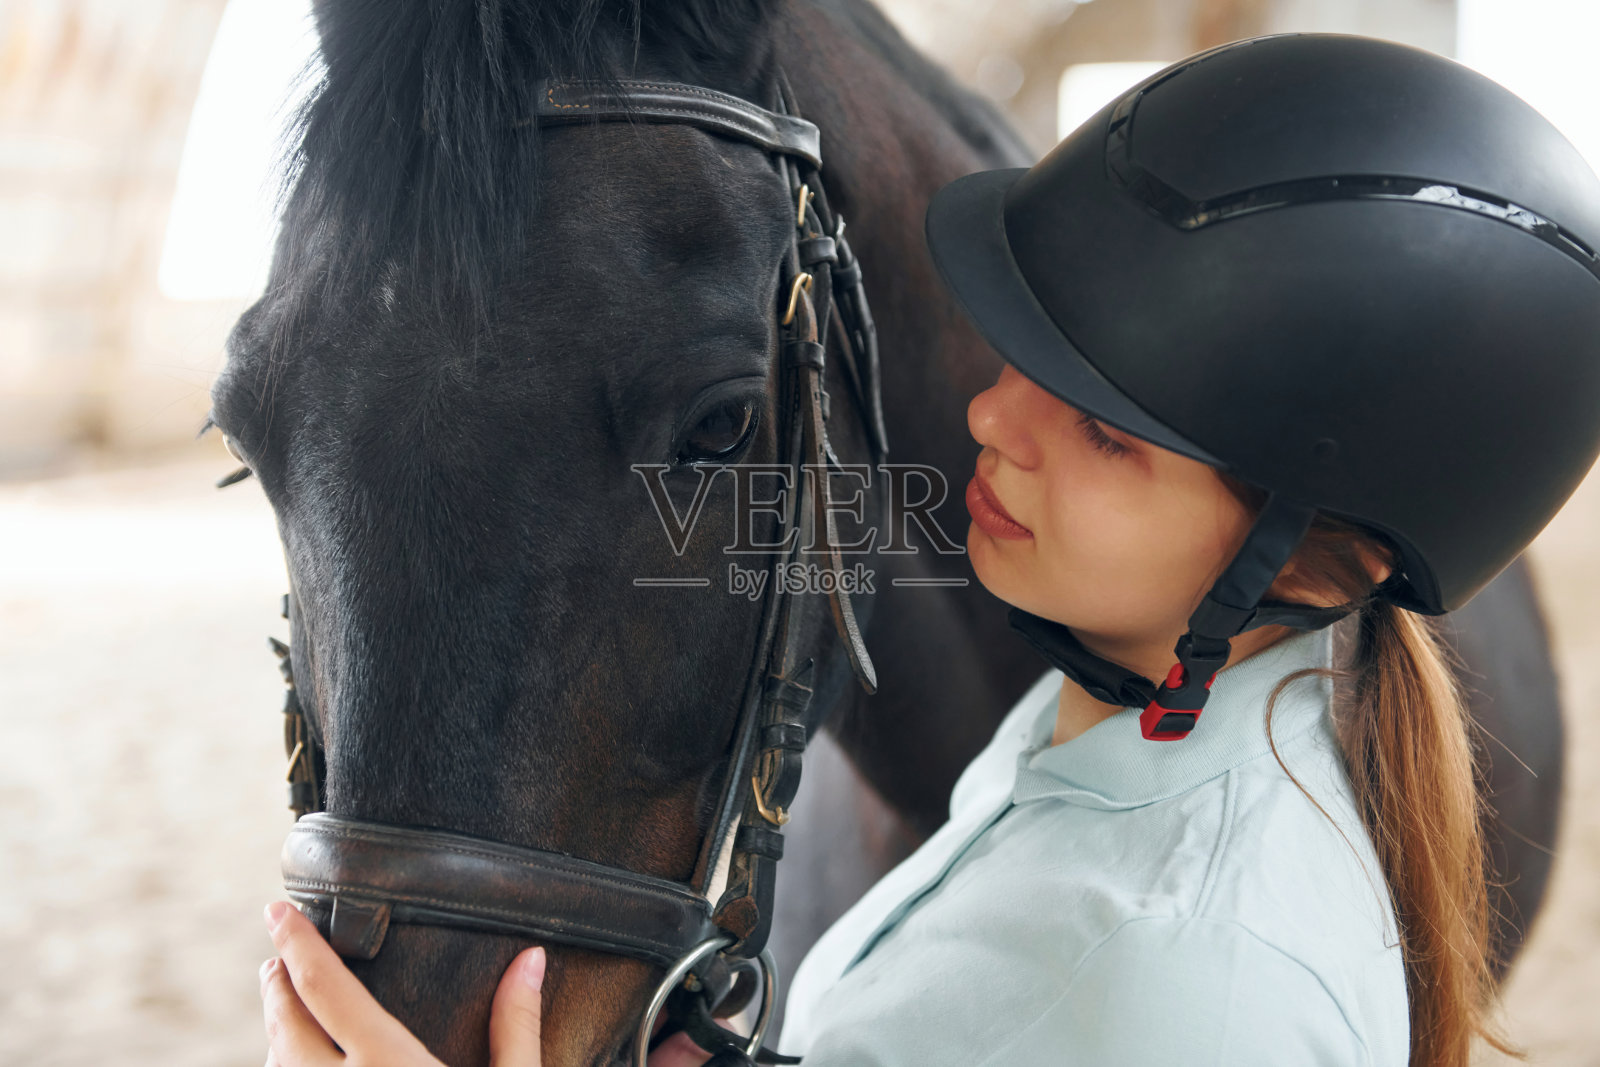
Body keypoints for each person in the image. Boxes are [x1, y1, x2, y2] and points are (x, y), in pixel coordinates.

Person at [256, 31, 1600, 1067]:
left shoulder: (1184, 982)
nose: (985, 421)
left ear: (1314, 566)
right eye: (1025, 354)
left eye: (1105, 434)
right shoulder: (1120, 721)